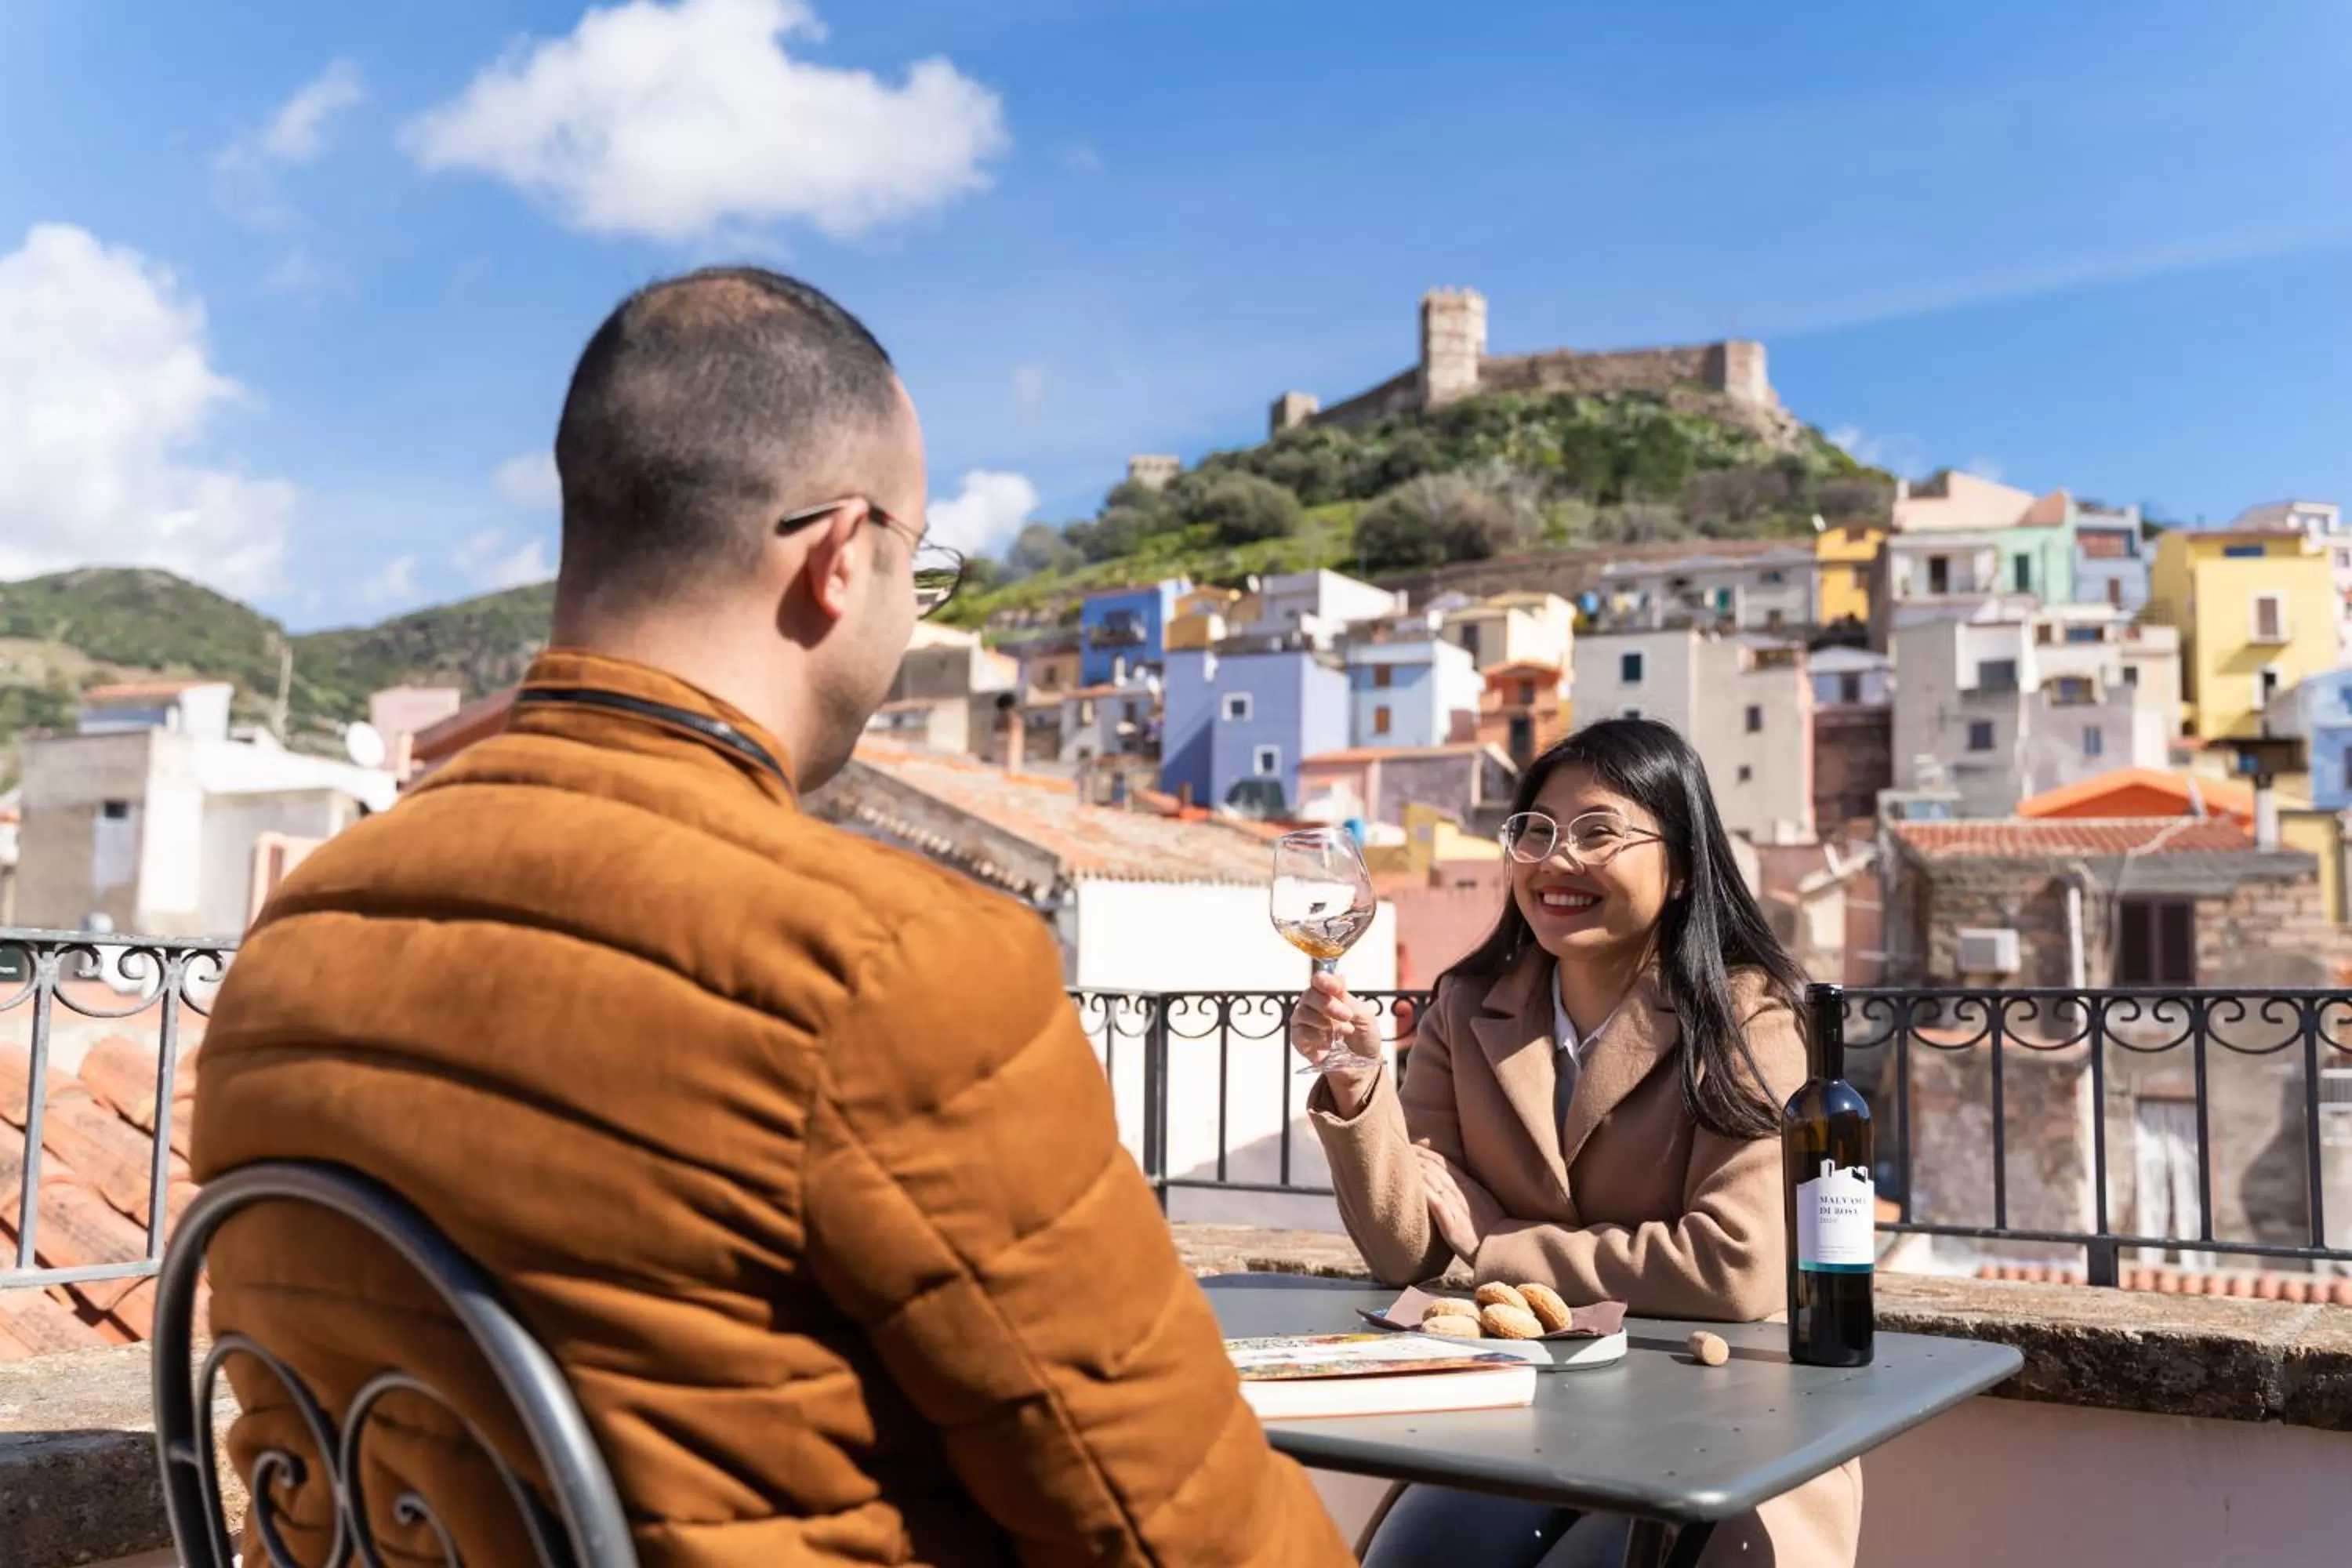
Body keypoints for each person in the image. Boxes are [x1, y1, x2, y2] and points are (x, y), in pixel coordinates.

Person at [191, 267, 1352, 1568]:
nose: (919, 609)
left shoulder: (288, 948)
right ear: (840, 559)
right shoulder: (887, 962)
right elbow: (1176, 1530)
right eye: (930, 569)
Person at [1291, 719, 1862, 1567]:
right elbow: (1405, 1250)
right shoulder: (1467, 1008)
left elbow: (1734, 1266)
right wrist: (1357, 1088)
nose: (1558, 861)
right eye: (1537, 831)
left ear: (1681, 869)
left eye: (1598, 832)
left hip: (1723, 1422)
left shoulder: (1743, 1018)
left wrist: (1493, 1245)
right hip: (1520, 1414)